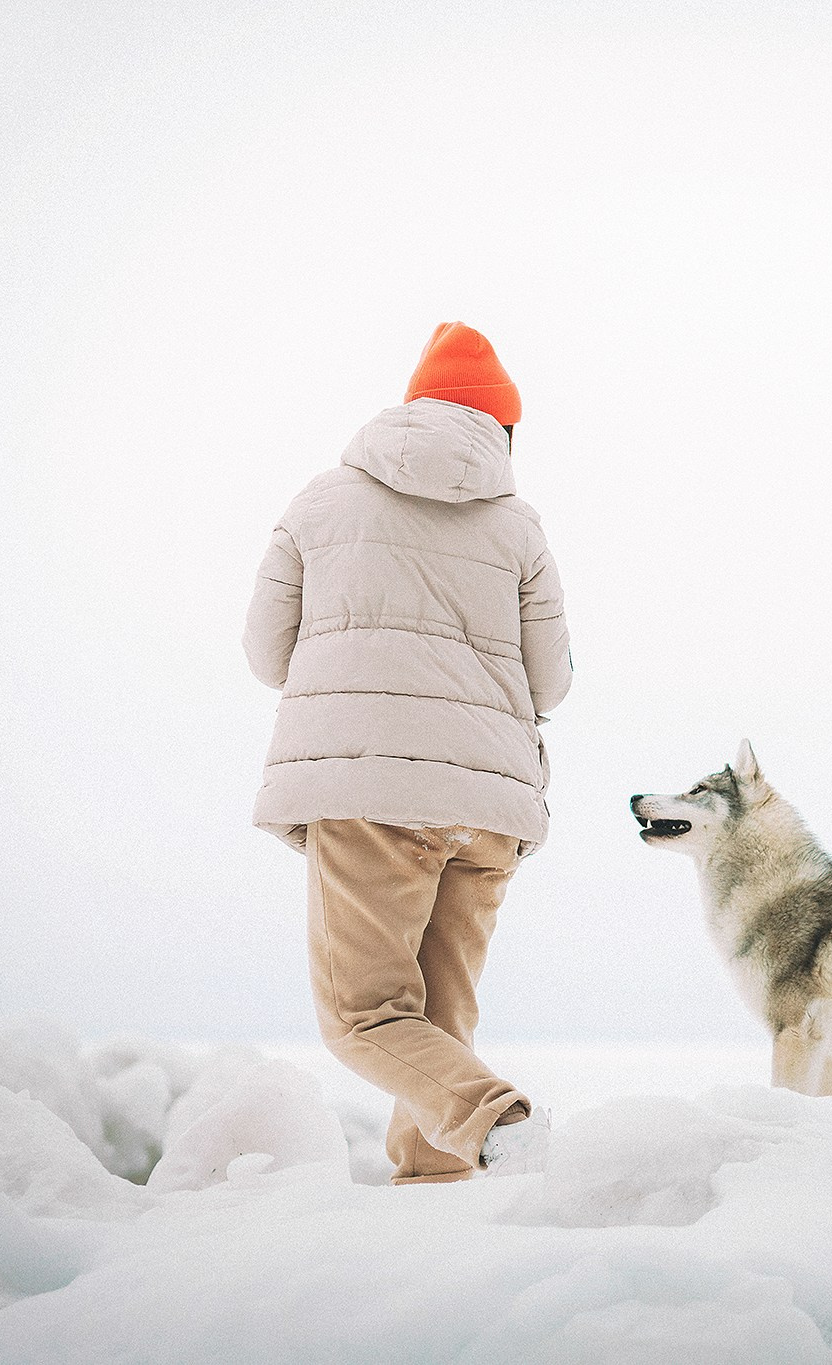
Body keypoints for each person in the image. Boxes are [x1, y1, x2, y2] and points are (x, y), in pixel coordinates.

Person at [243, 323, 571, 1184]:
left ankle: (495, 1119)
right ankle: (435, 1194)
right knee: (439, 1020)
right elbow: (553, 682)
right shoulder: (520, 527)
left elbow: (265, 653)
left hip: (367, 789)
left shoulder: (323, 501)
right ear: (503, 429)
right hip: (489, 804)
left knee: (365, 1016)